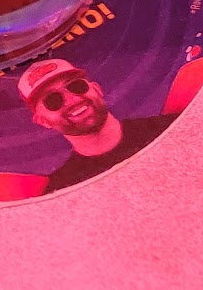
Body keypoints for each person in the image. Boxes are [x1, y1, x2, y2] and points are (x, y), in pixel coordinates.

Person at [16, 56, 174, 192]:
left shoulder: (171, 129)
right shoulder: (63, 192)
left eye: (76, 86)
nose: (73, 100)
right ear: (43, 121)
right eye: (52, 100)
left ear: (97, 90)